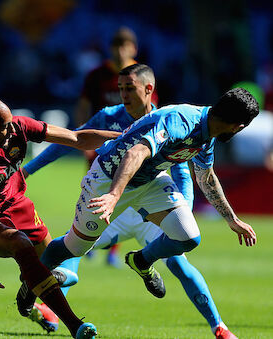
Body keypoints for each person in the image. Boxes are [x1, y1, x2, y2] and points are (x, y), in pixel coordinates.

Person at [17, 84, 259, 336]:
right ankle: (30, 284)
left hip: (150, 181)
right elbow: (135, 153)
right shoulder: (183, 120)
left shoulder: (207, 132)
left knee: (188, 236)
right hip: (108, 177)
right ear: (238, 126)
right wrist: (113, 195)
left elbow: (206, 177)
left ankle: (141, 260)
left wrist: (232, 220)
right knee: (73, 247)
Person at [0, 97, 121, 338]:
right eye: (4, 127)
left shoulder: (18, 127)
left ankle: (28, 297)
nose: (11, 131)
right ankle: (76, 326)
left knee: (59, 272)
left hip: (19, 207)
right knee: (21, 244)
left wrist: (123, 137)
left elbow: (78, 138)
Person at [73, 27, 152, 266]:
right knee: (91, 192)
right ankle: (88, 240)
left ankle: (112, 250)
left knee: (122, 194)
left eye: (124, 45)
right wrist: (82, 135)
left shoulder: (141, 75)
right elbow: (84, 105)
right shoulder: (96, 75)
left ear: (133, 48)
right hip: (100, 145)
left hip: (132, 149)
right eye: (116, 45)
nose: (120, 50)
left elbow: (152, 111)